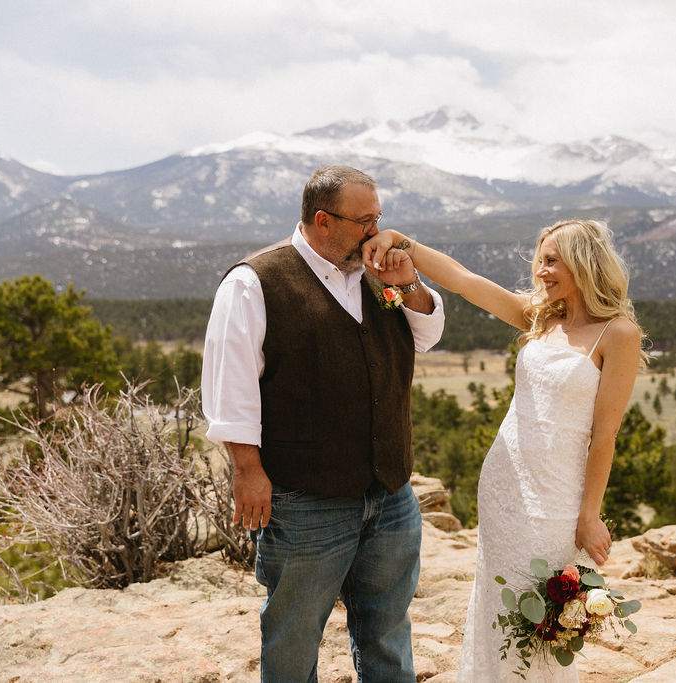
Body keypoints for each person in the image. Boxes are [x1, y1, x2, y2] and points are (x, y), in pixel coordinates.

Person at [363, 219, 644, 682]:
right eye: (541, 259)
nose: (541, 270)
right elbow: (463, 280)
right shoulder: (539, 315)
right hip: (504, 483)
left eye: (552, 260)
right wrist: (401, 241)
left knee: (540, 619)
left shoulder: (618, 334)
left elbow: (604, 435)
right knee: (497, 602)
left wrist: (589, 515)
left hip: (557, 496)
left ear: (584, 262)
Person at [201, 165, 445, 682]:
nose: (376, 232)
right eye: (364, 221)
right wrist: (248, 470)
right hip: (305, 498)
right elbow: (231, 389)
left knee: (387, 629)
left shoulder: (379, 273)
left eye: (378, 218)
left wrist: (411, 286)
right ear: (322, 221)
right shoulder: (254, 282)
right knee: (293, 634)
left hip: (391, 494)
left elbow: (426, 335)